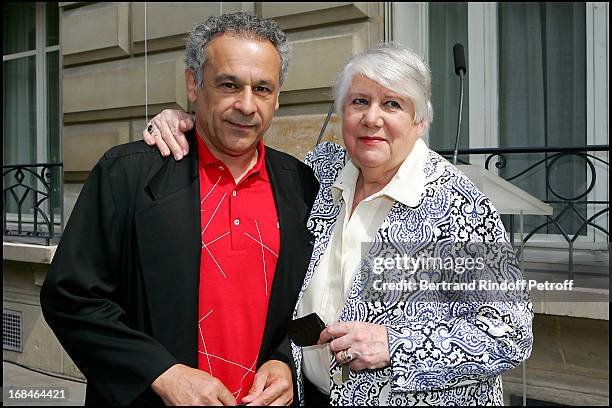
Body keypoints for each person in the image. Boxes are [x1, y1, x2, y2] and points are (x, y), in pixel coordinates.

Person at [144, 43, 533, 405]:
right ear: (342, 112)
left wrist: (396, 346)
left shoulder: (458, 204)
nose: (372, 118)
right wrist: (184, 122)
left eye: (393, 104)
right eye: (359, 101)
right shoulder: (321, 173)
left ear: (420, 121)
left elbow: (512, 332)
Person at [40, 12, 320, 406]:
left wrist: (287, 361)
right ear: (193, 84)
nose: (246, 105)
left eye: (262, 88)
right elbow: (70, 298)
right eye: (228, 84)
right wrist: (160, 372)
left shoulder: (303, 186)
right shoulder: (129, 174)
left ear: (278, 96)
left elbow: (320, 301)